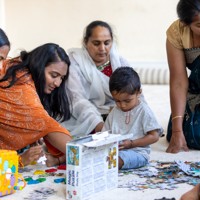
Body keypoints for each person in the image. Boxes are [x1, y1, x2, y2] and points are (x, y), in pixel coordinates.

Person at [0, 42, 72, 167]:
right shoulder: (21, 83)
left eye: (62, 78)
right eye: (54, 75)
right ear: (39, 66)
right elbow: (47, 125)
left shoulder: (19, 69)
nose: (58, 83)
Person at [61, 20, 131, 138]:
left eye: (107, 43)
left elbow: (136, 97)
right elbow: (76, 100)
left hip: (118, 111)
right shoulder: (75, 63)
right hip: (85, 115)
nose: (102, 48)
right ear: (85, 42)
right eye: (96, 43)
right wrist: (100, 127)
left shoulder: (121, 64)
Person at [102, 67, 163, 169]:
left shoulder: (144, 111)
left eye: (127, 101)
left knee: (114, 161)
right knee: (97, 158)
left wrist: (131, 144)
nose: (122, 105)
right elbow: (105, 134)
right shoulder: (114, 111)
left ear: (139, 93)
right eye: (117, 101)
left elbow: (154, 136)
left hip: (138, 153)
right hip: (115, 151)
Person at [166, 0, 200, 153]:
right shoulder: (177, 32)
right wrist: (177, 131)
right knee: (189, 133)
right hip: (195, 93)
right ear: (185, 24)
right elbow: (179, 82)